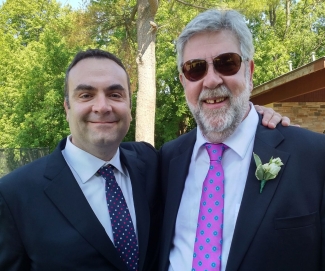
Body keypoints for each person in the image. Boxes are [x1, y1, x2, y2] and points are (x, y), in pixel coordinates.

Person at [159, 9, 325, 271]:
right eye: (195, 69)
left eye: (227, 63)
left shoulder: (314, 156)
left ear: (249, 71)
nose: (211, 80)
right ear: (183, 81)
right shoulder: (166, 160)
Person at [0, 49, 161, 271]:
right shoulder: (13, 194)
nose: (102, 107)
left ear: (130, 108)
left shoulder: (149, 162)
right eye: (86, 95)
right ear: (67, 108)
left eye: (115, 94)